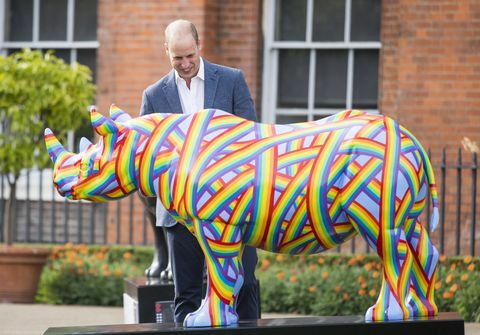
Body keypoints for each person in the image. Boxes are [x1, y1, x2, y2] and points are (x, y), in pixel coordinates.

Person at [140, 19, 259, 323]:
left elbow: (252, 140)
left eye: (190, 55)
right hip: (180, 214)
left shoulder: (232, 80)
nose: (185, 63)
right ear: (166, 51)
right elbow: (146, 158)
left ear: (198, 45)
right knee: (188, 294)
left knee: (243, 285)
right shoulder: (153, 95)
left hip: (234, 208)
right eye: (177, 58)